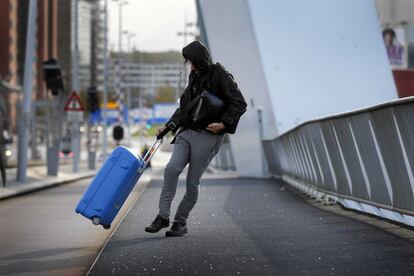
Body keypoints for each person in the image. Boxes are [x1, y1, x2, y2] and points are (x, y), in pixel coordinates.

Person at [145, 41, 247, 237]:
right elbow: (185, 108)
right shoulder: (194, 76)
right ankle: (162, 216)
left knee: (192, 183)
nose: (189, 66)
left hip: (208, 136)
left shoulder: (220, 75)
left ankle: (180, 223)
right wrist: (167, 127)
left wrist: (224, 123)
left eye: (191, 61)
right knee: (171, 169)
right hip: (187, 133)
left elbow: (239, 103)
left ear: (199, 60)